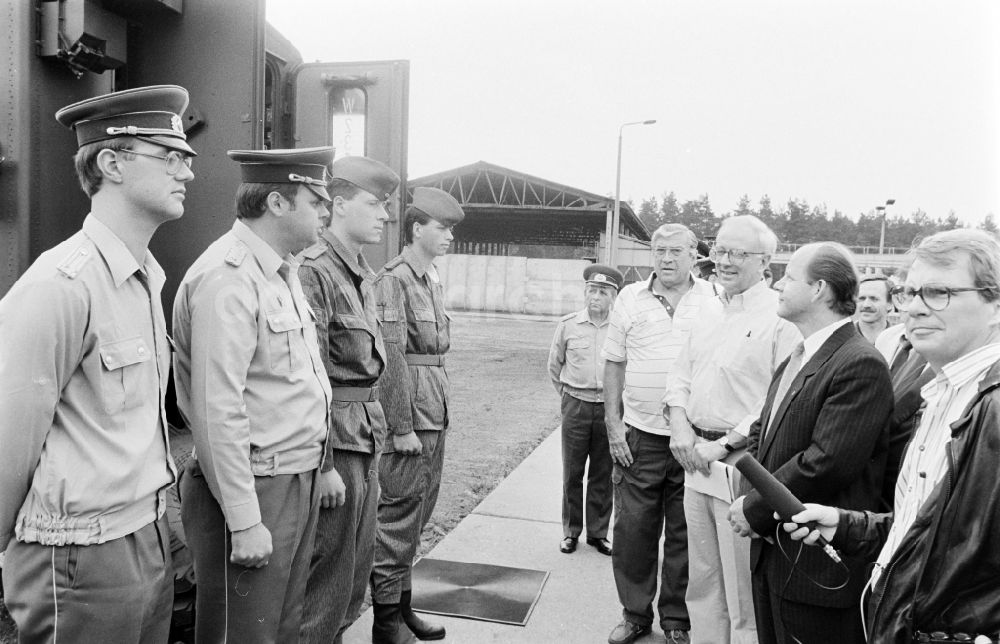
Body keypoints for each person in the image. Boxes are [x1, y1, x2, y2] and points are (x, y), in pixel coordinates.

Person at [0, 85, 195, 643]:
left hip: (145, 533)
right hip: (79, 556)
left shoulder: (144, 278)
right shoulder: (61, 284)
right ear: (111, 162)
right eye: (170, 156)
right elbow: (9, 437)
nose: (187, 172)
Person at [783, 229, 1000, 643]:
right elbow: (926, 535)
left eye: (938, 293)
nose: (914, 308)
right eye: (911, 292)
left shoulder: (993, 409)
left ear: (995, 306)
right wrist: (844, 525)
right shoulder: (941, 396)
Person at [173, 147, 339, 643]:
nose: (326, 212)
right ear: (277, 202)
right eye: (316, 200)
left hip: (290, 478)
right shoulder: (228, 277)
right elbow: (215, 410)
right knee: (242, 634)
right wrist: (244, 522)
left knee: (280, 628)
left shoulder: (278, 273)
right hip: (254, 486)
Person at [726, 242, 892, 644]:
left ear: (819, 289)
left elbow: (826, 462)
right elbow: (768, 436)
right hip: (778, 555)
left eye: (790, 277)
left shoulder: (859, 363)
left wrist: (754, 509)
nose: (779, 284)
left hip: (815, 571)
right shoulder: (797, 357)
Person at [665, 216, 800, 644]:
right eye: (720, 250)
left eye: (738, 253)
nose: (724, 260)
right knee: (702, 580)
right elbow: (680, 373)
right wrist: (679, 425)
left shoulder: (781, 318)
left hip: (743, 463)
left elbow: (778, 399)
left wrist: (723, 444)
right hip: (693, 458)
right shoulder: (706, 308)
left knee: (743, 587)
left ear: (766, 261)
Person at [298, 155, 400, 644]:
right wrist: (322, 466)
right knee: (325, 581)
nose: (385, 215)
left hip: (365, 434)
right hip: (336, 442)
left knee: (352, 578)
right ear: (338, 205)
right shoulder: (315, 272)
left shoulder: (360, 274)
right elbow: (310, 379)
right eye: (374, 204)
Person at [603, 223, 719, 644]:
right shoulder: (629, 298)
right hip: (641, 435)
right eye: (659, 251)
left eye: (675, 251)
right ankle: (635, 615)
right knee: (634, 531)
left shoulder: (712, 298)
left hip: (692, 437)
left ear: (694, 255)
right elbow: (614, 362)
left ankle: (676, 621)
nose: (666, 259)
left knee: (685, 534)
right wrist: (614, 426)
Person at [369, 186, 464, 643]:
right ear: (415, 228)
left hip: (433, 412)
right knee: (396, 520)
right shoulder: (394, 279)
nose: (449, 237)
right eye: (442, 228)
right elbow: (391, 355)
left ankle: (403, 610)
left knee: (419, 515)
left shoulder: (430, 279)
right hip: (411, 420)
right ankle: (385, 624)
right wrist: (401, 426)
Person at [547, 263, 624, 557]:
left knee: (604, 473)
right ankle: (570, 532)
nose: (596, 297)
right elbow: (555, 367)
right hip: (576, 404)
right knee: (572, 472)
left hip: (609, 407)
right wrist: (570, 395)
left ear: (613, 296)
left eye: (603, 292)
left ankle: (598, 534)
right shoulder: (568, 325)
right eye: (592, 290)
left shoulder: (621, 326)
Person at [855, 275, 892, 343]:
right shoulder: (841, 338)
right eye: (861, 298)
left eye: (874, 299)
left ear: (890, 304)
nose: (866, 305)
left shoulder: (899, 341)